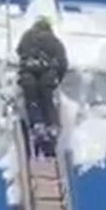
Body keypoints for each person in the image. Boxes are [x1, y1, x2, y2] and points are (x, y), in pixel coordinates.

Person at [16, 17, 69, 156]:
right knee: (47, 100)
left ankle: (37, 124)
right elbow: (62, 62)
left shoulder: (27, 36)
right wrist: (59, 79)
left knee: (32, 100)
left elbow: (19, 51)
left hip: (29, 72)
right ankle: (52, 126)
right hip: (48, 74)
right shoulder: (55, 41)